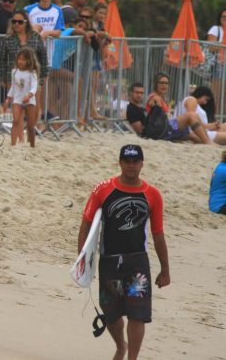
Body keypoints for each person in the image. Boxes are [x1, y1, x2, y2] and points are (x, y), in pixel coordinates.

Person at [79, 144, 170, 360]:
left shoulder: (152, 194)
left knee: (137, 314)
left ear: (141, 164)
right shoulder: (102, 189)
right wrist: (83, 259)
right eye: (127, 161)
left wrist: (165, 270)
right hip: (109, 260)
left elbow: (158, 234)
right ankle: (121, 346)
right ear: (120, 163)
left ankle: (132, 358)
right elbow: (87, 224)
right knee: (110, 311)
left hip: (137, 261)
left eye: (135, 161)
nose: (131, 166)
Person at [0, 9, 48, 113]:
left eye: (20, 22)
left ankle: (32, 128)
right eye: (14, 21)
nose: (16, 24)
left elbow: (43, 56)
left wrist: (44, 75)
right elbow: (2, 60)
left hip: (33, 77)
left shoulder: (35, 36)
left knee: (33, 107)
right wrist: (2, 77)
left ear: (26, 23)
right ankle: (19, 128)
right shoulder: (8, 39)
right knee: (17, 109)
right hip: (14, 78)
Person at [145, 73, 212, 144]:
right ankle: (208, 142)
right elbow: (157, 113)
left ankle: (209, 142)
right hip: (160, 129)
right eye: (161, 83)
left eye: (166, 83)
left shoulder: (162, 98)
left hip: (165, 128)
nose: (164, 85)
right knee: (191, 115)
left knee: (192, 135)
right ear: (155, 84)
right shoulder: (155, 98)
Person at [4, 47, 40, 147]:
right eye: (19, 59)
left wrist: (29, 95)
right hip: (18, 99)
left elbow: (34, 87)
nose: (20, 61)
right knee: (15, 120)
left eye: (23, 60)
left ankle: (32, 145)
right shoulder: (14, 72)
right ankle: (13, 145)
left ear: (29, 61)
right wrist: (8, 98)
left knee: (30, 125)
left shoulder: (32, 73)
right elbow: (13, 87)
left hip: (29, 100)